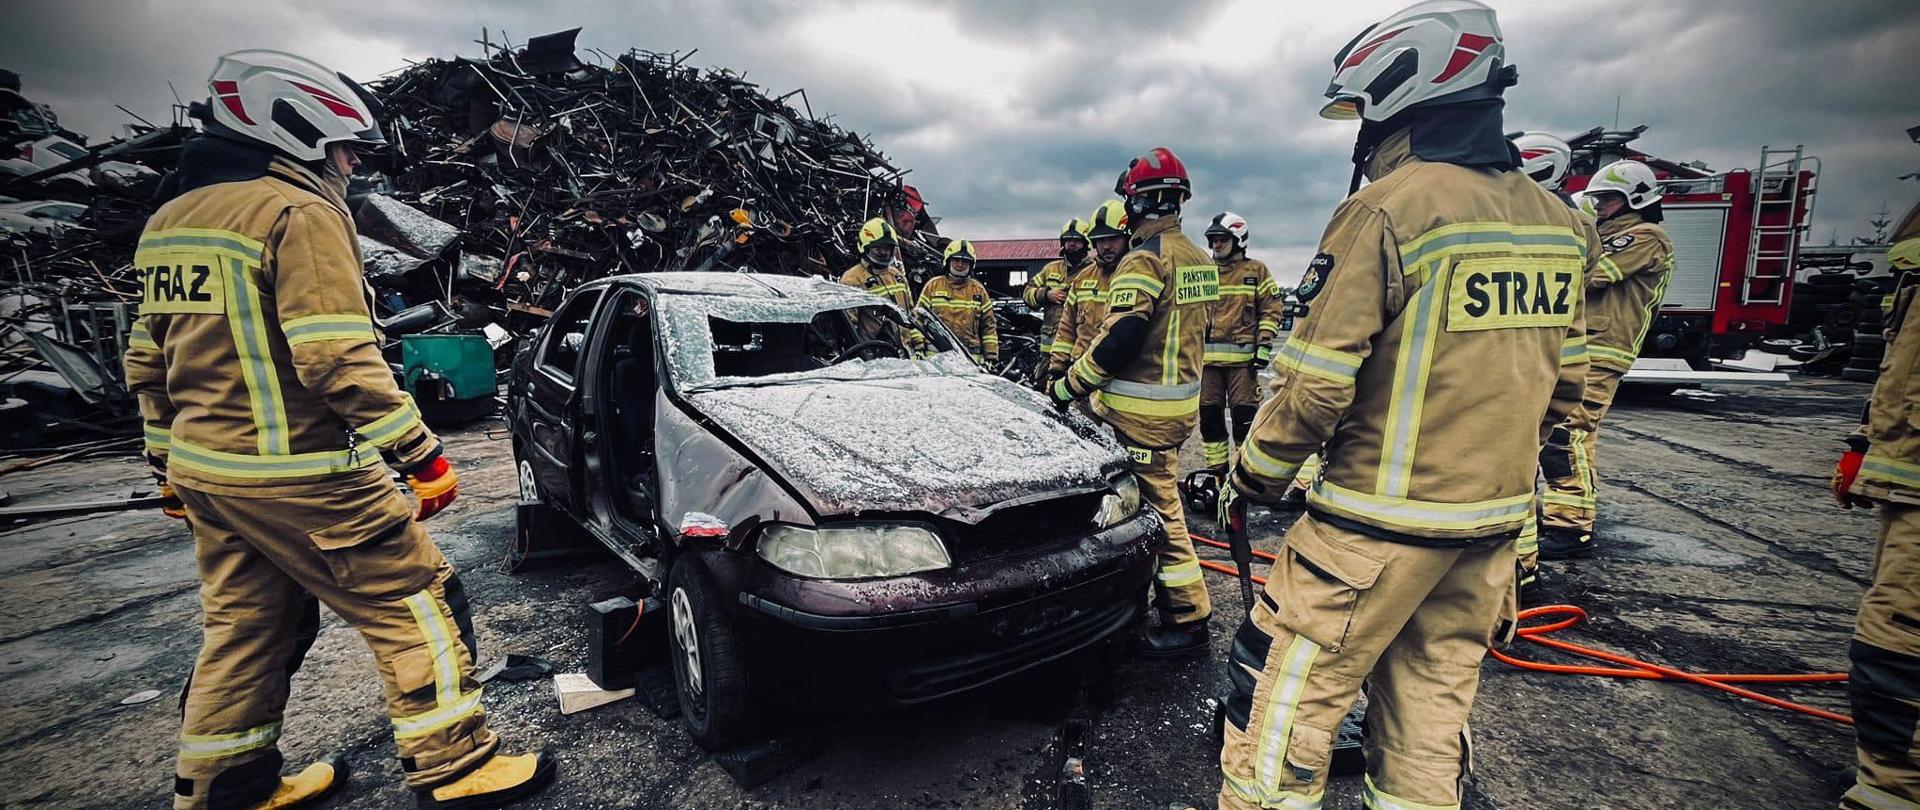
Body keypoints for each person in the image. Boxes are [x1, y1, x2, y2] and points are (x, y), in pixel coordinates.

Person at [121, 51, 554, 810]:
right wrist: (419, 454)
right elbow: (335, 356)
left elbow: (147, 359)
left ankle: (229, 785)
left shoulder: (170, 222)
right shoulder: (299, 212)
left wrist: (166, 467)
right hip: (302, 473)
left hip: (207, 471)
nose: (352, 164)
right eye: (345, 148)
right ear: (296, 131)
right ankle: (455, 768)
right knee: (416, 597)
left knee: (248, 626)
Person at [1215, 3, 1595, 807]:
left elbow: (1315, 383)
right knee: (1426, 721)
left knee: (1280, 717)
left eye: (1360, 110)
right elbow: (1569, 385)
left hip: (1371, 532)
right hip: (1486, 533)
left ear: (1401, 90)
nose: (1361, 131)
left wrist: (1253, 475)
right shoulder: (1561, 221)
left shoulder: (1390, 208)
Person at [1050, 147, 1218, 656]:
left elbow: (1121, 338)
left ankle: (1188, 617)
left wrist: (1066, 387)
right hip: (1176, 408)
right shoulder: (1198, 259)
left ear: (1135, 204)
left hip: (1139, 414)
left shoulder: (1143, 260)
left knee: (1160, 511)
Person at [1537, 158, 1674, 559]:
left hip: (1602, 350)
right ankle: (1563, 518)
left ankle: (1571, 529)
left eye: (1609, 200)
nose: (1599, 208)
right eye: (1597, 200)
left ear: (1637, 199)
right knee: (1557, 433)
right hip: (1578, 346)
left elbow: (1588, 275)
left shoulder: (1646, 236)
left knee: (1569, 435)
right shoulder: (1605, 233)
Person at [1833, 235, 1920, 810]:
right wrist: (1869, 439)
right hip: (1906, 472)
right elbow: (1902, 358)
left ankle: (1894, 790)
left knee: (1898, 633)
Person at [1198, 212, 1283, 476]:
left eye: (1222, 239)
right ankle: (1216, 472)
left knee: (1244, 421)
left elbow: (1271, 310)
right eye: (1213, 240)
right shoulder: (1203, 271)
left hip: (1243, 366)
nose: (1216, 245)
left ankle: (1243, 471)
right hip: (1207, 365)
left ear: (1238, 240)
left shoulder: (1256, 271)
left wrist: (1264, 346)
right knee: (1210, 421)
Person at [1045, 202, 1128, 382]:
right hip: (1079, 377)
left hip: (1118, 379)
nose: (1106, 246)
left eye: (1113, 238)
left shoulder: (1136, 275)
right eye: (1101, 239)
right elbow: (1066, 329)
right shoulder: (1082, 279)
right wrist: (1057, 369)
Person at [840, 217, 923, 347]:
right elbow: (849, 327)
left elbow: (911, 316)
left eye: (888, 248)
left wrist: (918, 346)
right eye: (878, 248)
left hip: (907, 356)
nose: (884, 253)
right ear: (865, 248)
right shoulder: (852, 279)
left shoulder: (898, 276)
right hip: (875, 356)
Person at [1025, 218, 1093, 375]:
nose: (1072, 244)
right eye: (1068, 240)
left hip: (1082, 351)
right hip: (1050, 352)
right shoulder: (1050, 269)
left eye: (1076, 240)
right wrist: (1046, 294)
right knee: (1043, 391)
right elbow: (1027, 293)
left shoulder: (1094, 270)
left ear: (1086, 242)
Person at [919, 239, 999, 365]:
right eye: (956, 260)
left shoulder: (978, 291)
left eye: (965, 261)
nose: (960, 265)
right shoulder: (933, 286)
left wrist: (991, 356)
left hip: (969, 359)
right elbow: (918, 319)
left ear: (971, 264)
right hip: (936, 358)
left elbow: (988, 327)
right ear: (948, 261)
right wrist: (918, 348)